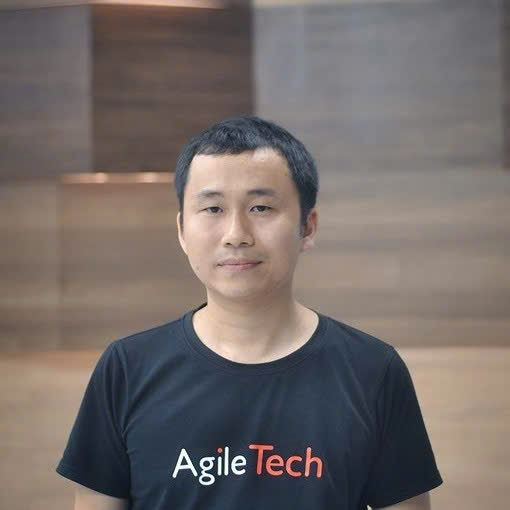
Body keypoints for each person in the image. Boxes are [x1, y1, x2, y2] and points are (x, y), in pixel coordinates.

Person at [56, 116, 443, 510]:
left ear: (308, 227)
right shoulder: (126, 369)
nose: (236, 234)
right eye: (212, 208)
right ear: (181, 230)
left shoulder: (373, 371)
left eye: (261, 207)